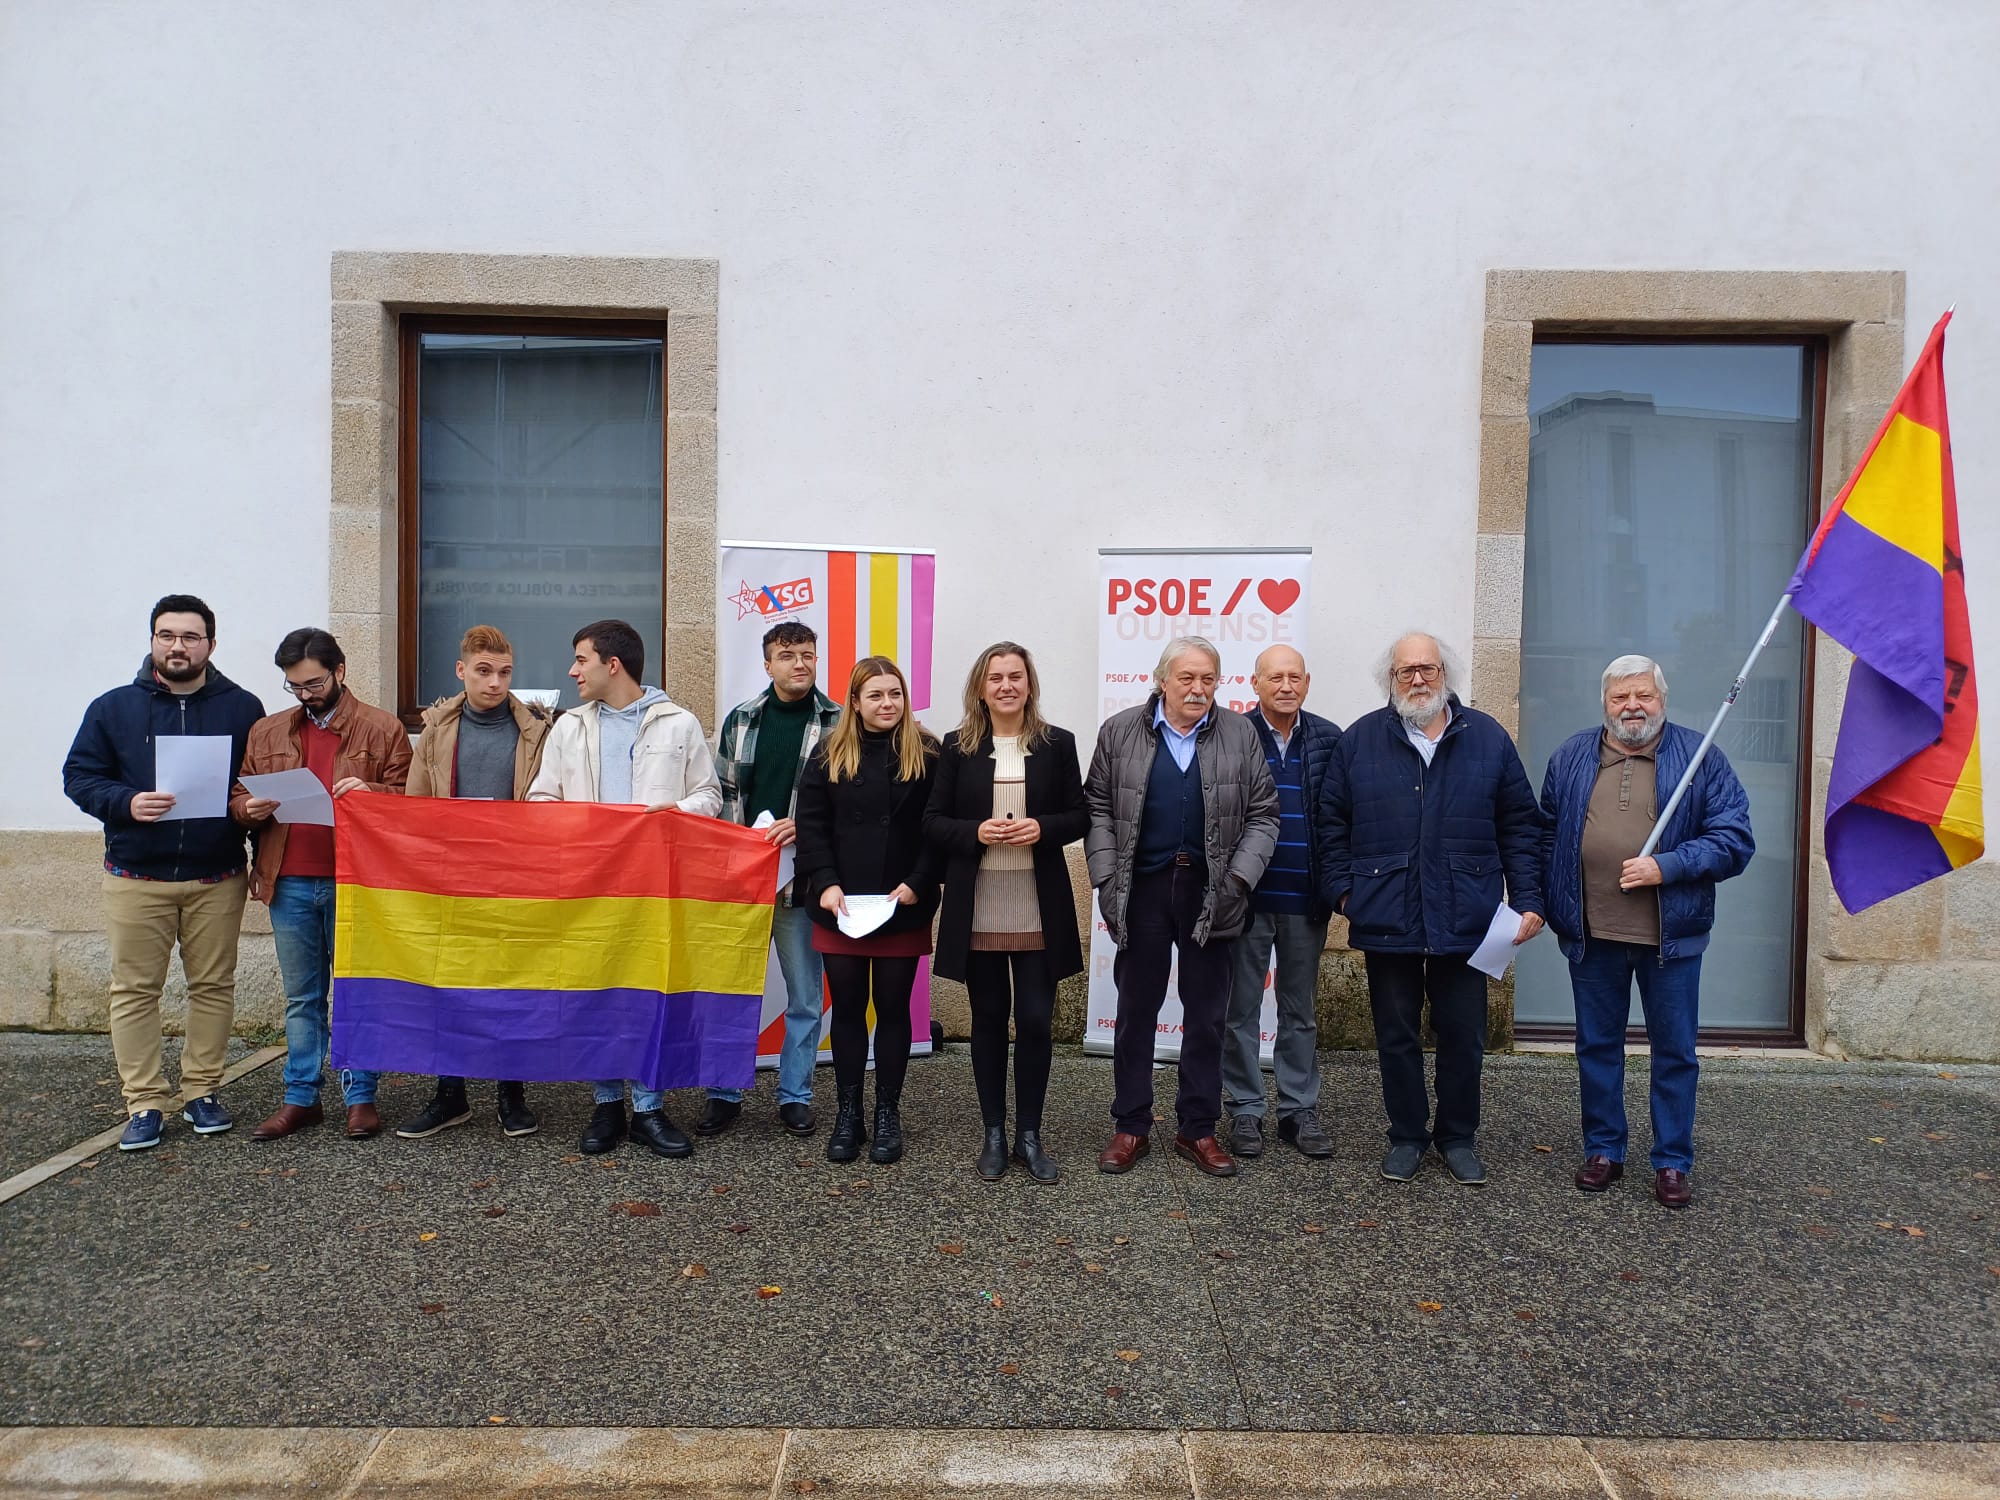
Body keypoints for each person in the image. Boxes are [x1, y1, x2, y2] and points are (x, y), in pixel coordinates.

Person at [1316, 630, 1544, 1188]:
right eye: (1405, 671)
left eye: (1428, 669)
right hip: (1385, 912)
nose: (1418, 679)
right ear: (1389, 680)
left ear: (1447, 674)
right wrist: (1346, 892)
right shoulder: (1360, 741)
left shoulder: (1488, 738)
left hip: (1467, 916)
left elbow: (1519, 825)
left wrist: (1530, 900)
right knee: (1394, 1036)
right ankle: (1407, 1136)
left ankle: (1458, 1136)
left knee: (1464, 1034)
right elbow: (1330, 824)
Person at [1539, 654, 1754, 1210]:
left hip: (1671, 940)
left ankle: (1672, 1160)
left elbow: (1735, 839)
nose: (1633, 706)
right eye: (1620, 697)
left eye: (1644, 696)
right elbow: (1544, 836)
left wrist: (1670, 865)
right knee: (1597, 1047)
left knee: (1675, 1052)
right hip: (1593, 936)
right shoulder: (1571, 757)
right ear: (1604, 703)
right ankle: (1604, 1149)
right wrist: (1543, 904)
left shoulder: (1699, 758)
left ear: (1662, 699)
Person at [61, 595, 266, 1151]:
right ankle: (145, 1102)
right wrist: (126, 802)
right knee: (133, 990)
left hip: (215, 875)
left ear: (211, 645)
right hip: (135, 875)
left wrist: (251, 824)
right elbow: (78, 776)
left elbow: (257, 782)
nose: (178, 646)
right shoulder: (113, 708)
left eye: (190, 637)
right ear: (152, 640)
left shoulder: (243, 708)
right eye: (167, 635)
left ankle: (202, 1091)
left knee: (213, 987)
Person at [527, 618, 722, 1159]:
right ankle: (607, 1103)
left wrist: (674, 812)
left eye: (581, 660)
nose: (572, 671)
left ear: (613, 665)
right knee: (596, 991)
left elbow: (709, 796)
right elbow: (542, 798)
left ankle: (649, 1108)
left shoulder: (679, 723)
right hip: (589, 887)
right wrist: (571, 822)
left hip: (654, 887)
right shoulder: (569, 727)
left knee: (647, 991)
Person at [1085, 636, 1278, 1179]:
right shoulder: (1120, 731)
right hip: (1142, 889)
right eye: (1187, 678)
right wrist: (1104, 876)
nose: (1197, 689)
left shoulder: (1241, 733)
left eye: (1208, 679)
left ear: (1219, 683)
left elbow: (1265, 815)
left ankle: (1198, 1128)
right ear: (1162, 679)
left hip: (1214, 892)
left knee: (1208, 1016)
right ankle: (1131, 1126)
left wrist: (1238, 879)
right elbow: (1097, 806)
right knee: (1135, 1011)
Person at [234, 628, 411, 1142]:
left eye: (313, 683)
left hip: (356, 883)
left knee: (357, 992)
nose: (305, 694)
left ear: (339, 671)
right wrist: (248, 808)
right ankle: (300, 1097)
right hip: (287, 881)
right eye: (294, 687)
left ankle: (360, 1099)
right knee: (302, 996)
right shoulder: (267, 731)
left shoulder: (382, 729)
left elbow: (411, 799)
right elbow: (240, 794)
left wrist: (372, 792)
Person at [924, 642, 1089, 1184]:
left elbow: (1080, 815)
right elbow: (933, 821)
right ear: (981, 687)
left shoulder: (1057, 743)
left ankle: (1030, 1133)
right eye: (995, 678)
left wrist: (1043, 827)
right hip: (980, 905)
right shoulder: (956, 747)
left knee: (1037, 1019)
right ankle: (994, 1132)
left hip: (1038, 902)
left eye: (1015, 676)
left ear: (1029, 684)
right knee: (990, 1018)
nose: (1006, 686)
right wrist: (976, 832)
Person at [394, 624, 557, 1142]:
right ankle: (451, 1094)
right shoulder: (436, 732)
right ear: (461, 670)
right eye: (484, 672)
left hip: (513, 876)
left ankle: (512, 1094)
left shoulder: (536, 730)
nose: (495, 683)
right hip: (449, 877)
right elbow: (415, 807)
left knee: (510, 983)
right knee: (449, 984)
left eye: (505, 672)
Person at [793, 655, 940, 1166]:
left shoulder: (928, 752)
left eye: (895, 694)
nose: (887, 704)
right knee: (849, 1009)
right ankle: (848, 1112)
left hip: (901, 902)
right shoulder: (829, 753)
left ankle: (887, 1115)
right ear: (855, 702)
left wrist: (919, 884)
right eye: (875, 695)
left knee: (894, 1010)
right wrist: (826, 885)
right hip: (841, 905)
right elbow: (810, 825)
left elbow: (937, 828)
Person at [704, 620, 844, 1139]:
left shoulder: (838, 723)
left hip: (802, 885)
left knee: (806, 996)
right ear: (768, 664)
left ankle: (795, 1095)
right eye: (787, 655)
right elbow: (719, 796)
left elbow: (847, 803)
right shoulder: (740, 719)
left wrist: (804, 828)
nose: (800, 663)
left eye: (808, 654)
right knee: (731, 991)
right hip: (741, 885)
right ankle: (723, 1094)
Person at [1221, 644, 1343, 1161]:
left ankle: (1298, 1110)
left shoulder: (1331, 739)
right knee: (1239, 1011)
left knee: (1299, 1011)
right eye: (1275, 677)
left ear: (1308, 682)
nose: (1286, 686)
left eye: (1295, 677)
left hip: (1304, 897)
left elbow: (1340, 817)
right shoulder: (1230, 735)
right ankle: (1245, 1109)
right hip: (1246, 899)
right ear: (1255, 684)